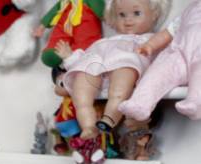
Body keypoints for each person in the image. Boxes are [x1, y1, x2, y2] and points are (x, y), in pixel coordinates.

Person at [55, 0, 169, 139]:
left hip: (124, 68)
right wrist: (69, 57)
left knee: (123, 77)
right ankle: (88, 125)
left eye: (136, 13)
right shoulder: (105, 41)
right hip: (96, 68)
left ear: (154, 15)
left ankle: (109, 119)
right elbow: (85, 58)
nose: (128, 20)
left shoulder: (151, 40)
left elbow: (165, 60)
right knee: (81, 86)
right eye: (121, 14)